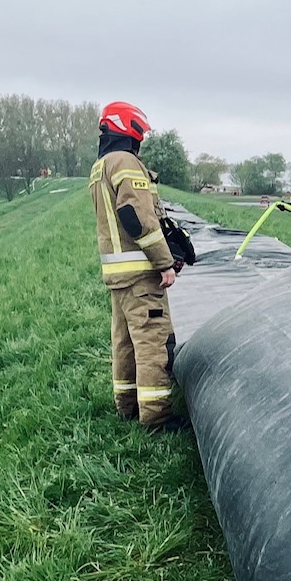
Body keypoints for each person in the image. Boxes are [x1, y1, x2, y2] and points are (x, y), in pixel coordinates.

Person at [90, 101, 185, 431]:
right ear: (129, 129)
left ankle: (126, 405)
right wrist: (165, 262)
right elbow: (136, 217)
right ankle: (156, 417)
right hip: (141, 275)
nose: (141, 139)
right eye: (140, 133)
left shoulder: (101, 166)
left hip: (117, 274)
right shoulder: (126, 163)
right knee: (153, 344)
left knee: (124, 343)